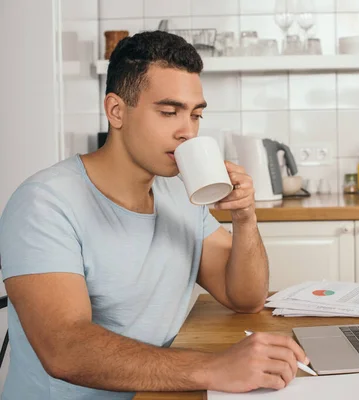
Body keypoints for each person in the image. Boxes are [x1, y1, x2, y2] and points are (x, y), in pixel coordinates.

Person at [0, 31, 307, 399]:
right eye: (168, 112)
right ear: (116, 111)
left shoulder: (178, 191)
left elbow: (245, 298)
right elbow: (64, 349)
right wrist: (214, 367)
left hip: (156, 391)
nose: (187, 132)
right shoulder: (43, 204)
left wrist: (244, 219)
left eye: (196, 115)